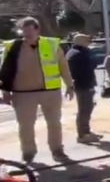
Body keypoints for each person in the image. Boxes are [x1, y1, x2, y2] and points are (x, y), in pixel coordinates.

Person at [0, 17, 74, 162]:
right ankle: (28, 153)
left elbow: (63, 67)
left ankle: (57, 150)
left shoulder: (51, 45)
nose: (26, 35)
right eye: (24, 31)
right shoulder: (12, 47)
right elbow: (4, 71)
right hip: (23, 94)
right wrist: (5, 92)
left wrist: (70, 85)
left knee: (54, 123)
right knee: (25, 126)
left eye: (29, 31)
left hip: (50, 92)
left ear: (37, 29)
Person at [66, 34, 102, 144]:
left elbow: (92, 64)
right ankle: (82, 135)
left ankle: (86, 131)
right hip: (82, 85)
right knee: (84, 110)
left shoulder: (83, 52)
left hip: (87, 84)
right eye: (86, 40)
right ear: (80, 41)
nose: (88, 41)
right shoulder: (76, 54)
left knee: (88, 108)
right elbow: (75, 71)